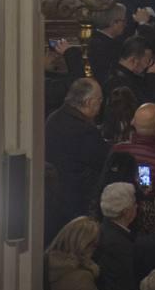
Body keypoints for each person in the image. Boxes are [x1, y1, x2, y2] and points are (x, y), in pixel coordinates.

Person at [46, 78, 111, 243]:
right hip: (76, 202)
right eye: (100, 100)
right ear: (89, 102)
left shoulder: (53, 118)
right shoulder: (85, 131)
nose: (102, 104)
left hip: (52, 198)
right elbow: (103, 161)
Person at [94, 182, 145, 290]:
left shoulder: (100, 231)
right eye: (134, 203)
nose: (137, 206)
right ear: (126, 212)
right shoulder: (120, 246)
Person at [45, 216, 105, 290]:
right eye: (95, 245)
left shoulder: (46, 266)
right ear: (85, 245)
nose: (95, 252)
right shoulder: (82, 278)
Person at [105, 37, 155, 112]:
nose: (148, 65)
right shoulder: (120, 83)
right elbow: (150, 110)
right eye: (147, 61)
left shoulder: (121, 75)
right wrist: (153, 78)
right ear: (133, 60)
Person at [87, 5, 131, 79]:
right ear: (113, 23)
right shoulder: (100, 45)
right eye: (123, 21)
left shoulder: (103, 40)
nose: (125, 24)